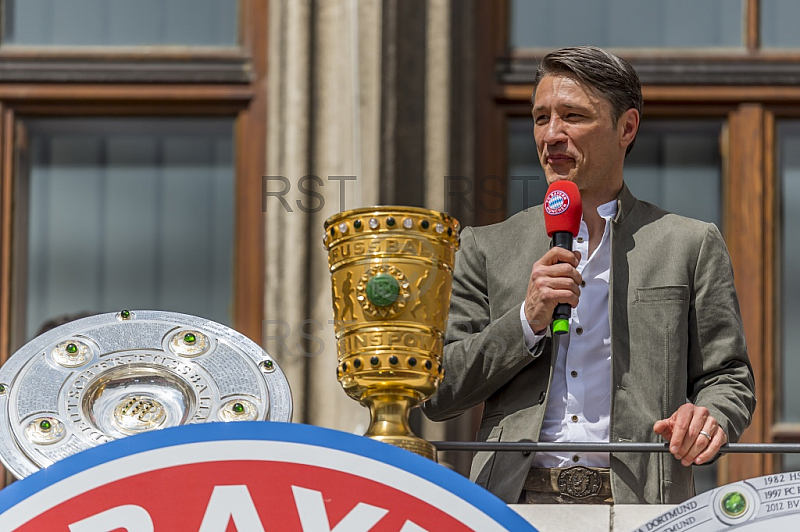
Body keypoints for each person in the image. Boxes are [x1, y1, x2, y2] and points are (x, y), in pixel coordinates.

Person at [422, 46, 755, 505]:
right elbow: (438, 391)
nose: (552, 135)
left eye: (573, 116)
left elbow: (729, 377)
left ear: (627, 127)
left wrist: (710, 415)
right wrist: (525, 321)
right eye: (541, 118)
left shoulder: (689, 244)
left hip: (642, 503)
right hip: (514, 505)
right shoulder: (485, 246)